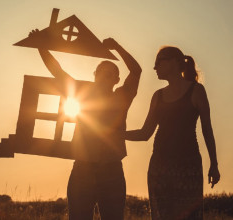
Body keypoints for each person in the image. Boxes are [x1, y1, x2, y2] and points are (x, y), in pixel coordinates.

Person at [30, 29, 142, 219]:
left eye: (109, 74)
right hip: (83, 169)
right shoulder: (81, 94)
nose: (104, 76)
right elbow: (57, 71)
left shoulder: (122, 97)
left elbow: (136, 71)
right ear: (94, 75)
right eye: (100, 72)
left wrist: (116, 47)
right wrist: (41, 46)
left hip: (112, 170)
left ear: (116, 80)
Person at [124, 46, 220, 219]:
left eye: (159, 62)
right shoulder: (157, 96)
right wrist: (116, 134)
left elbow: (207, 129)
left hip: (188, 166)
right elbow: (145, 133)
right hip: (159, 168)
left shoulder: (196, 90)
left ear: (175, 62)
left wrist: (214, 164)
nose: (155, 68)